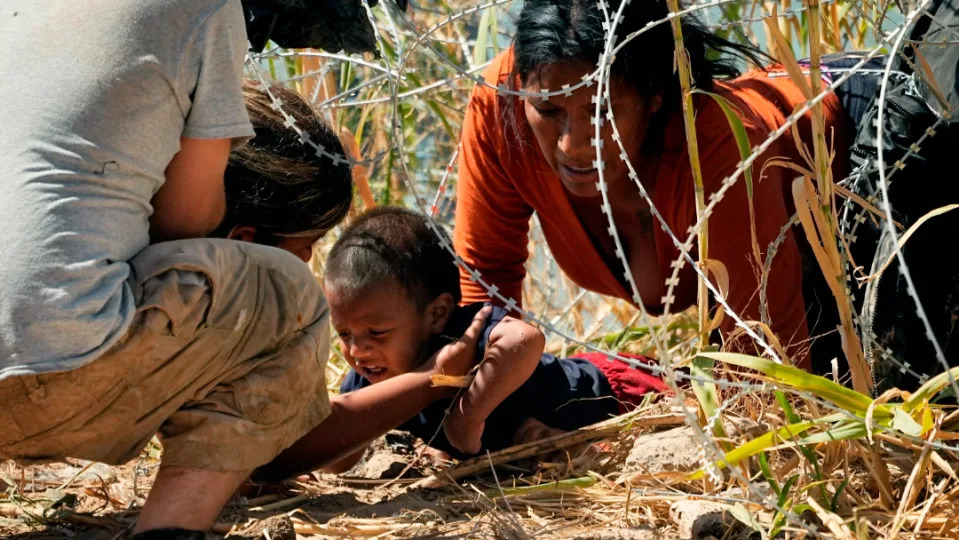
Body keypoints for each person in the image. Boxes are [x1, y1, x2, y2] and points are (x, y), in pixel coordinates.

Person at [452, 0, 959, 387]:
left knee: (908, 378)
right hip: (781, 204)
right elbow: (485, 285)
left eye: (602, 112)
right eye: (550, 112)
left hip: (882, 145)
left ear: (654, 97)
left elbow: (771, 370)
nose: (573, 145)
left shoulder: (714, 150)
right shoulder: (505, 104)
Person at [0, 3, 350, 536]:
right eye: (304, 247)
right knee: (288, 296)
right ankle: (172, 530)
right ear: (244, 240)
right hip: (44, 381)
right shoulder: (207, 8)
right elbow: (184, 221)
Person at [263, 207, 667, 477]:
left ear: (437, 313)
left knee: (710, 390)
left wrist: (467, 416)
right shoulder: (372, 379)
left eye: (376, 333)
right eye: (345, 335)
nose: (357, 350)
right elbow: (340, 455)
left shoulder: (466, 329)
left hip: (613, 394)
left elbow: (525, 339)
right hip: (537, 449)